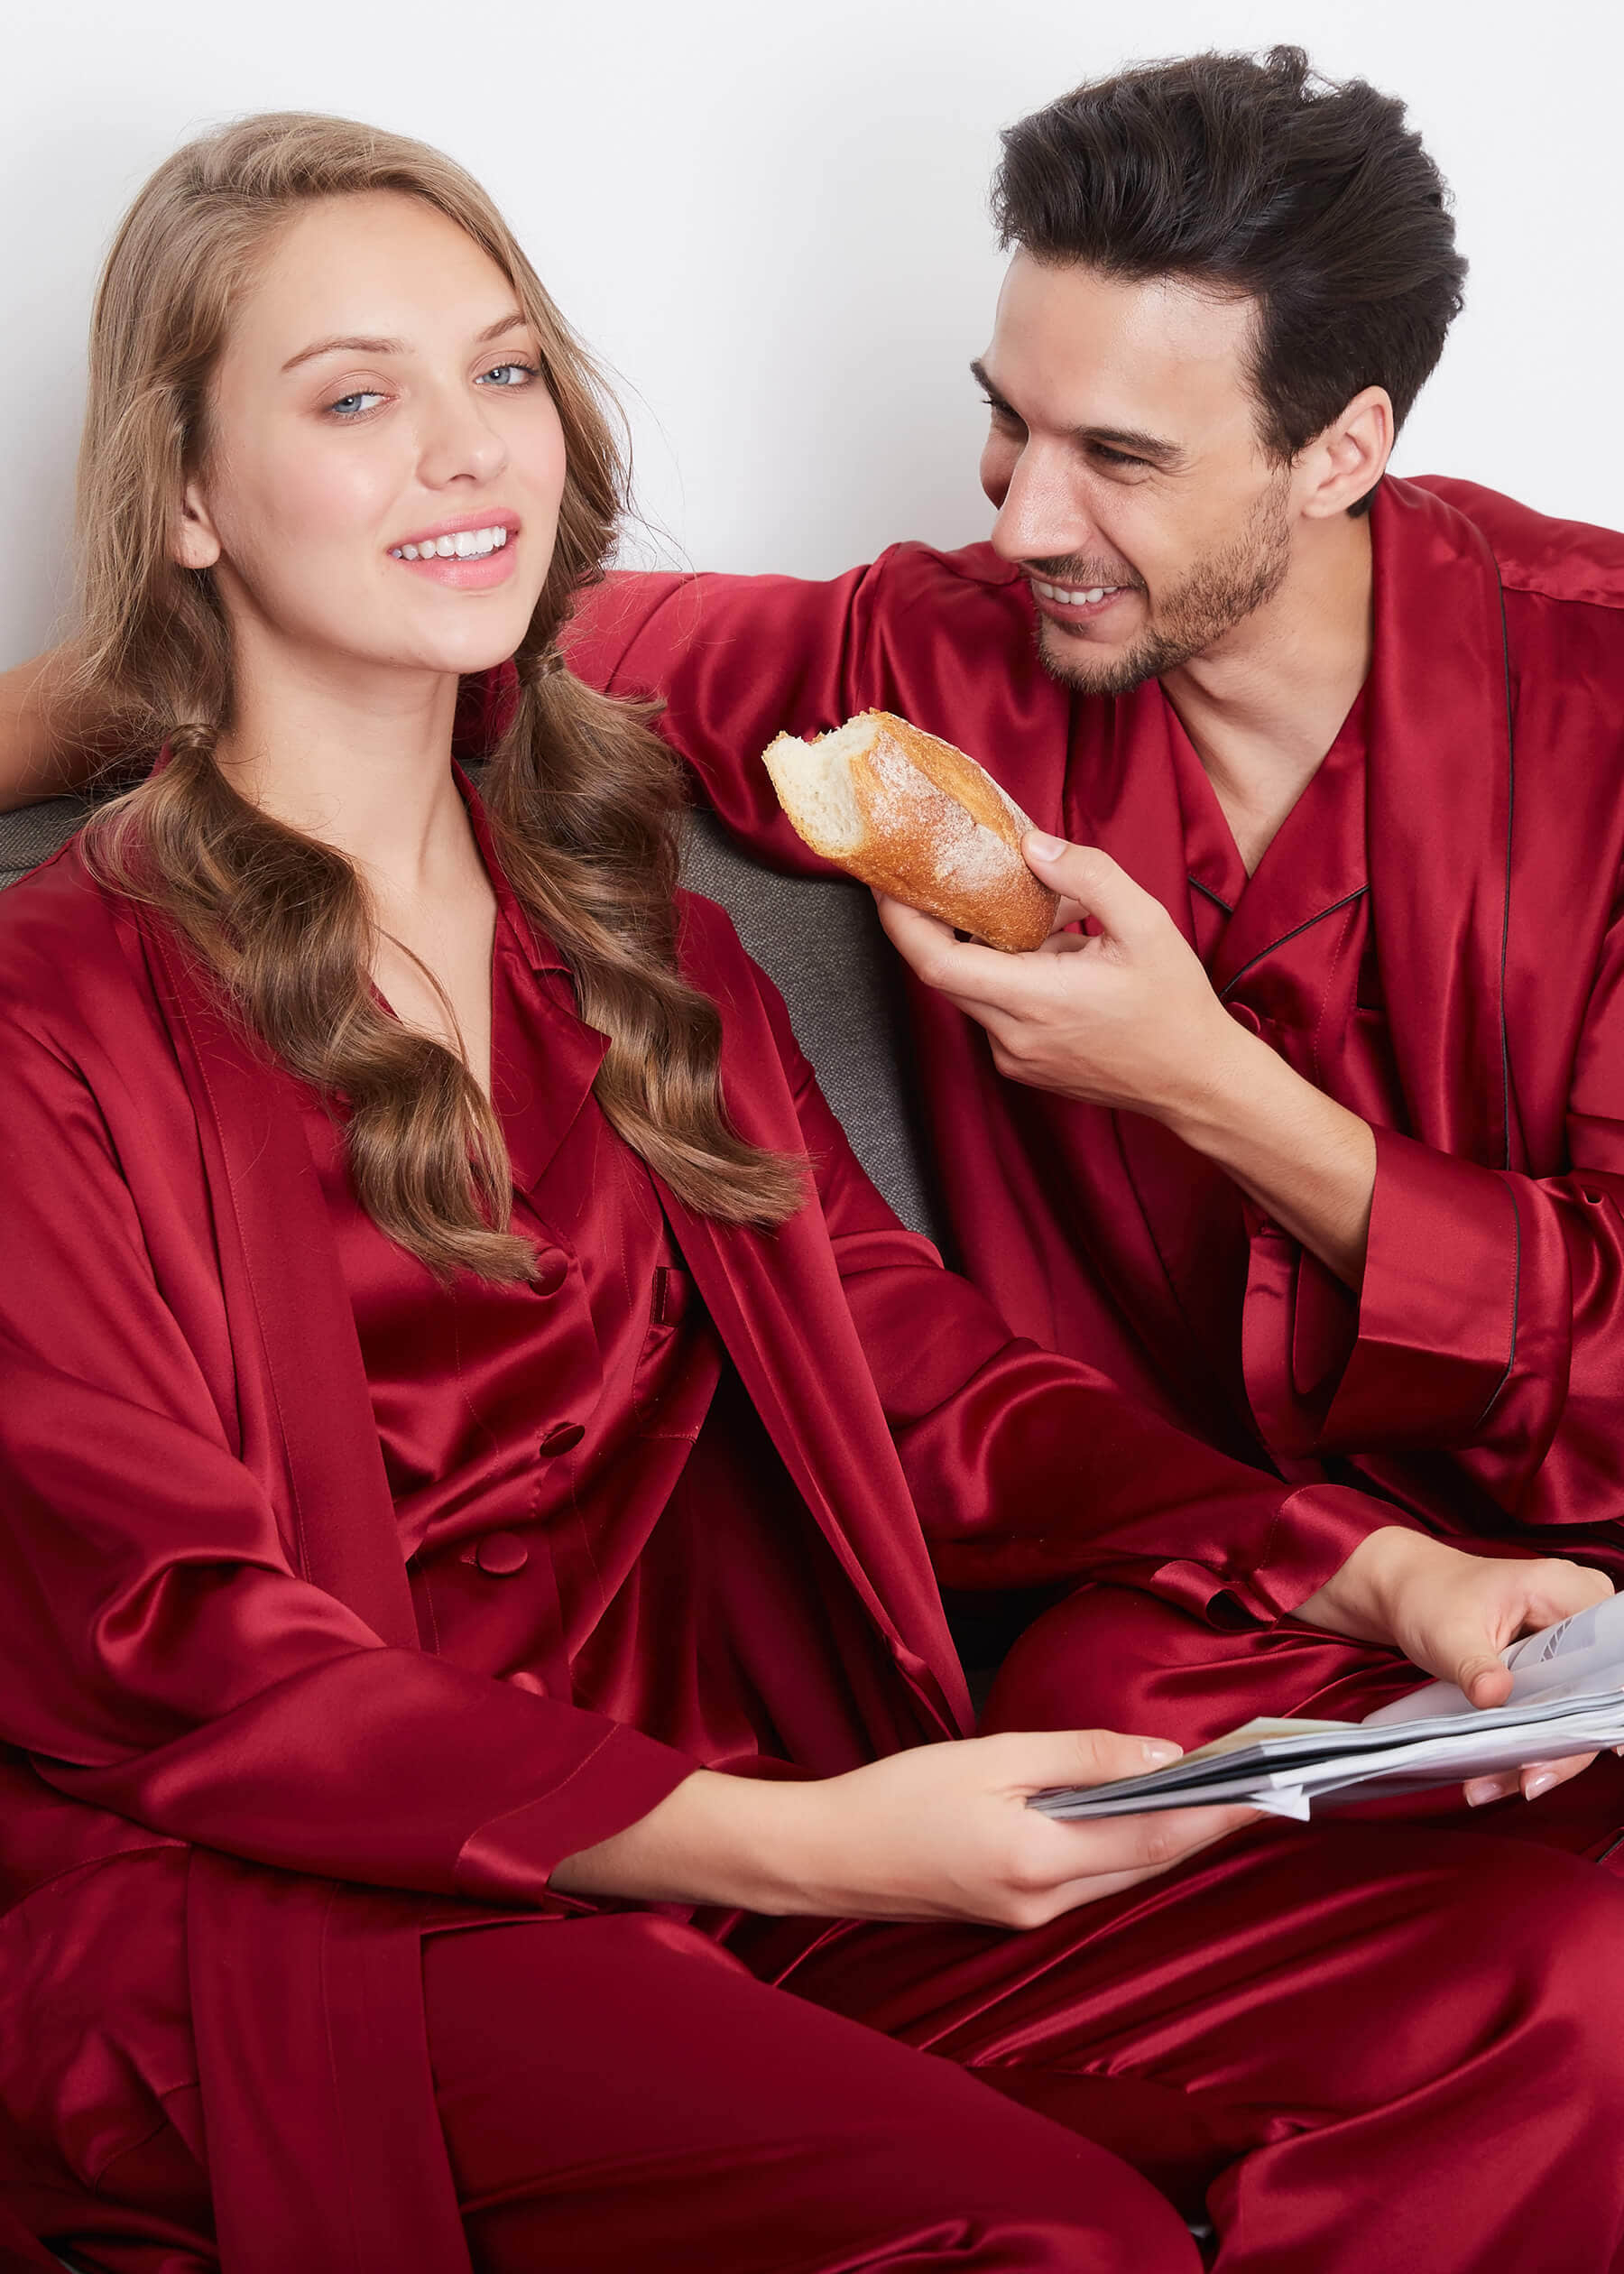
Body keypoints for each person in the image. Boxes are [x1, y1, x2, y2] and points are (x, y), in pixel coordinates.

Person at [5, 102, 1624, 2274]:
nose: (472, 452)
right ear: (186, 492)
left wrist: (1359, 1571)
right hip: (381, 1896)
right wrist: (819, 1848)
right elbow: (167, 1646)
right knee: (1050, 2238)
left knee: (1571, 1993)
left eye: (503, 374)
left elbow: (919, 1372)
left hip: (792, 1833)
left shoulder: (613, 904)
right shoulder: (53, 1013)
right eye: (356, 398)